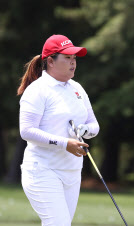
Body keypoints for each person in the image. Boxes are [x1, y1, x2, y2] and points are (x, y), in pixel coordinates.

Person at [17, 34, 100, 226]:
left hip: (72, 172)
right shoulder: (37, 90)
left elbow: (94, 126)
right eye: (67, 58)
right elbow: (27, 130)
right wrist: (65, 143)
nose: (73, 63)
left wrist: (84, 129)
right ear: (50, 61)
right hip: (43, 171)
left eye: (74, 58)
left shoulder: (77, 88)